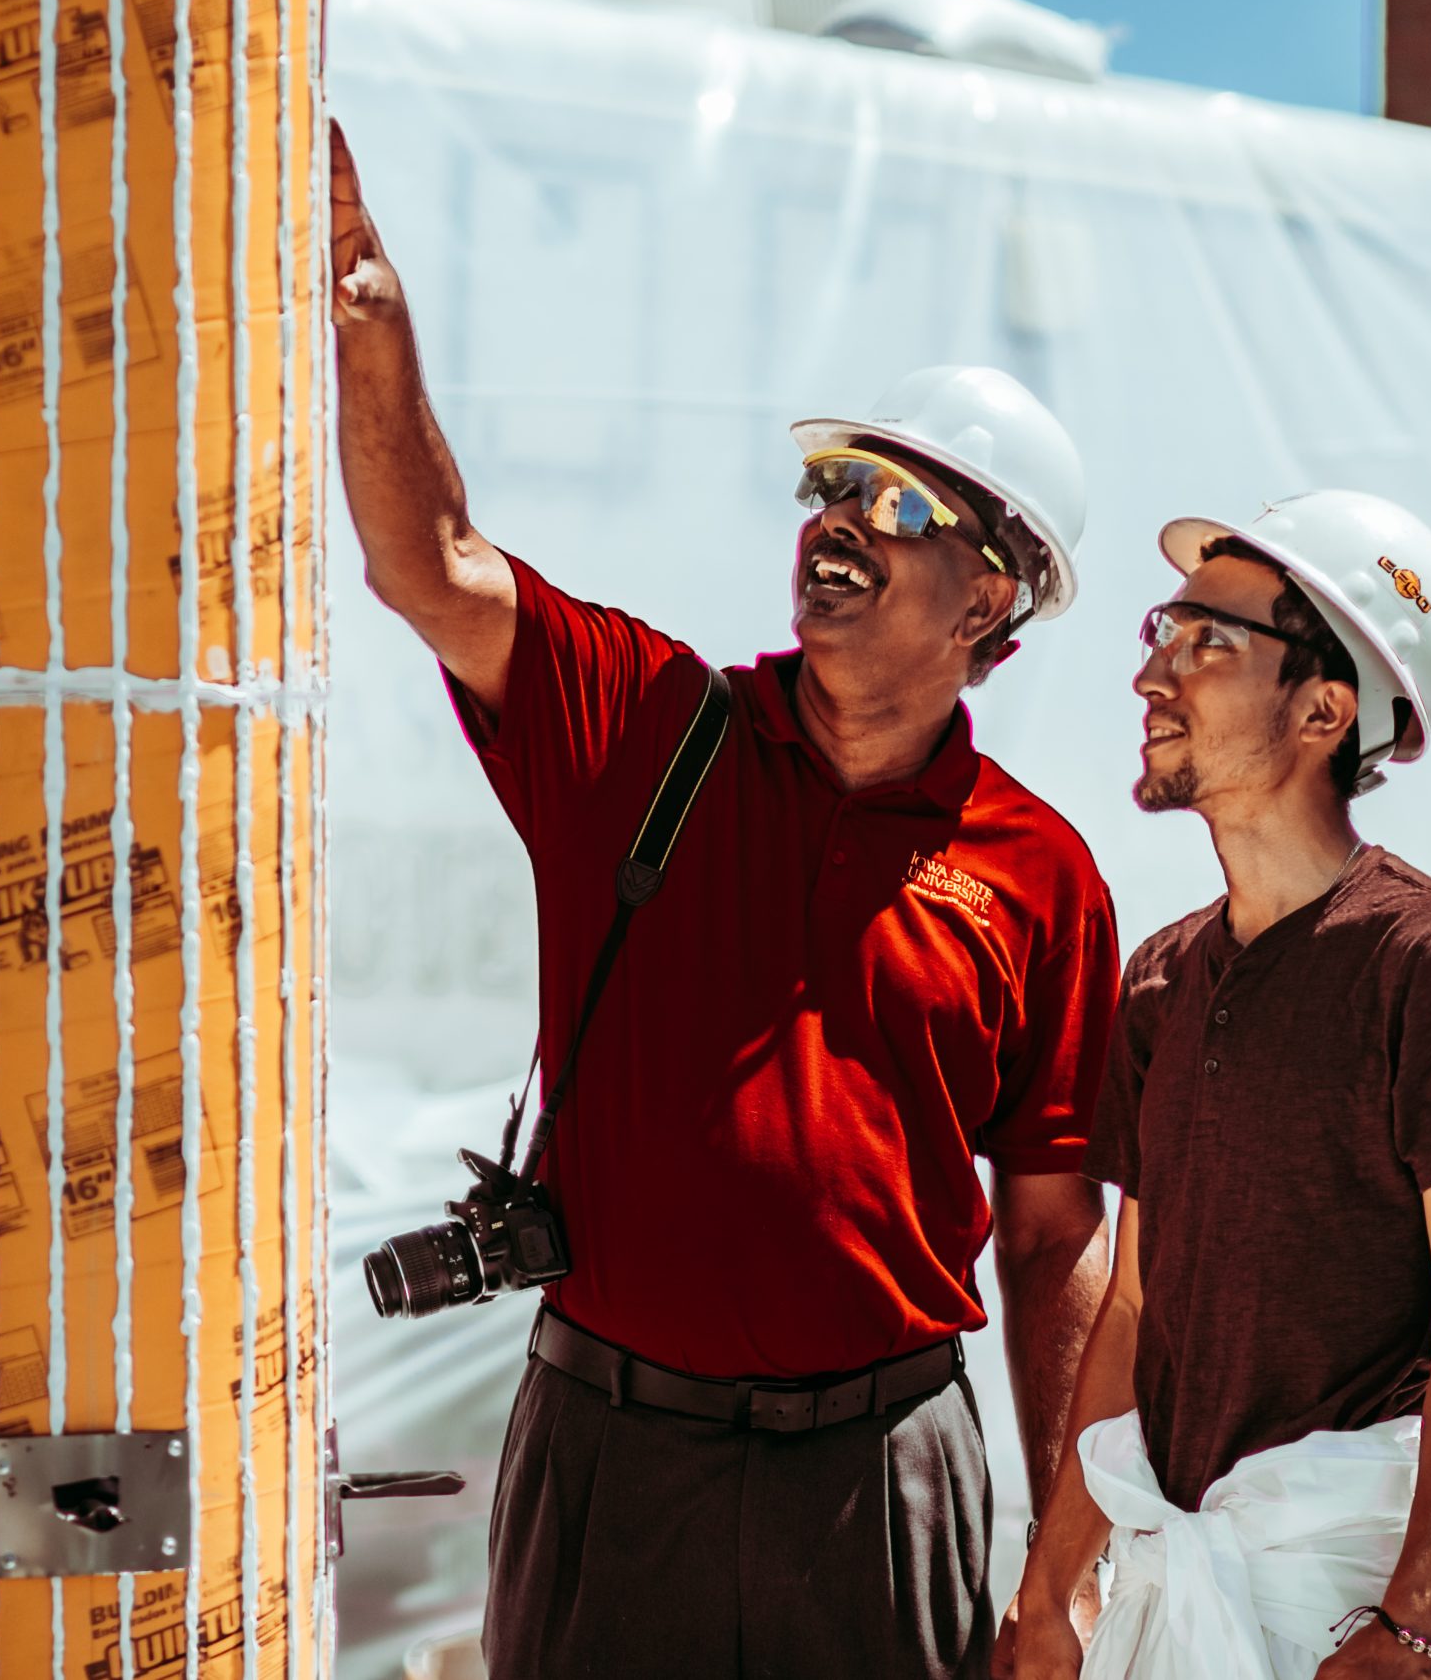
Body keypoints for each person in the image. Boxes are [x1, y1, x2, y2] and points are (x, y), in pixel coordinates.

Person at [330, 122, 1121, 1680]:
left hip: (887, 1472)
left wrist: (1065, 1556)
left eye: (894, 505)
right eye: (831, 483)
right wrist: (370, 315)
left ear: (990, 604)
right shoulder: (647, 726)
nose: (834, 519)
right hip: (615, 1453)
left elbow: (1051, 1236)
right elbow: (431, 562)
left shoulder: (1042, 872)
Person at [1009, 493, 1431, 1680]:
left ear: (1322, 708)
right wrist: (1051, 1585)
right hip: (1173, 1581)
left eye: (1208, 641)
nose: (1155, 670)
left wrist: (1419, 1617)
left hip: (1337, 1603)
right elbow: (1136, 1312)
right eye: (1164, 630)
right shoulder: (1157, 981)